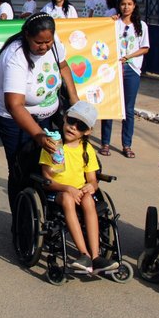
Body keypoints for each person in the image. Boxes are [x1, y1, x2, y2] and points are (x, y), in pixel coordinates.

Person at [0, 13, 78, 232]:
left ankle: (46, 212)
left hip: (47, 112)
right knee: (21, 167)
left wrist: (75, 101)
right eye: (39, 42)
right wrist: (39, 135)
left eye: (48, 42)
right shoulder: (16, 57)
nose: (44, 47)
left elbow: (64, 67)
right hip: (13, 118)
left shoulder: (53, 43)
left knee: (48, 163)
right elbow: (15, 105)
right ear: (27, 36)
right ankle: (21, 222)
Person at [40, 101, 118, 273]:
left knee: (89, 199)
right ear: (65, 119)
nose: (73, 127)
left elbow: (92, 179)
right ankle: (84, 254)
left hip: (79, 192)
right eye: (71, 121)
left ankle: (95, 256)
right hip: (58, 193)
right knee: (68, 199)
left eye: (80, 125)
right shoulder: (53, 145)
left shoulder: (86, 148)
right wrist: (68, 188)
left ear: (87, 131)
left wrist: (91, 186)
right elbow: (47, 179)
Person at [99, 0, 150, 158]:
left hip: (132, 69)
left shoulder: (141, 26)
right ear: (118, 6)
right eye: (123, 4)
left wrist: (128, 57)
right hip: (113, 69)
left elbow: (145, 48)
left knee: (128, 109)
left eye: (129, 4)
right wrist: (109, 22)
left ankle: (126, 144)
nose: (126, 7)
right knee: (110, 106)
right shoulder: (114, 23)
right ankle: (105, 143)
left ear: (134, 5)